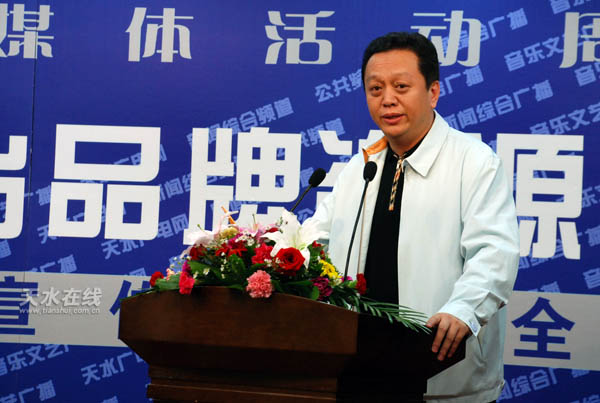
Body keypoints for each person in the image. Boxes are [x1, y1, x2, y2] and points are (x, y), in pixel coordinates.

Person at [306, 32, 519, 402]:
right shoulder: (361, 167)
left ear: (433, 92)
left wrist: (463, 310)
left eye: (401, 86)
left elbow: (494, 253)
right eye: (375, 89)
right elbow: (315, 240)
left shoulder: (474, 162)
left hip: (437, 363)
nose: (387, 99)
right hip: (356, 367)